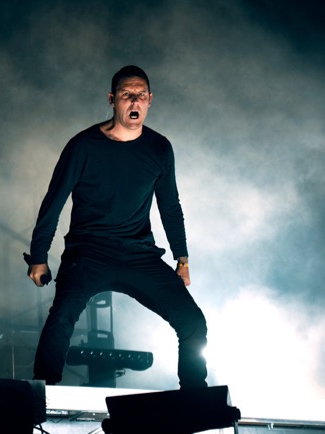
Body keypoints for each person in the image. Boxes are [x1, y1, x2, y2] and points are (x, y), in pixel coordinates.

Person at [26, 65, 207, 389]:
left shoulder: (159, 148)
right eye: (127, 95)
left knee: (193, 321)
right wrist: (39, 256)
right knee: (62, 314)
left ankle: (195, 396)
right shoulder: (83, 146)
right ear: (113, 100)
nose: (134, 101)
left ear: (150, 100)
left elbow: (170, 206)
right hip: (89, 253)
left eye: (140, 95)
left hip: (139, 255)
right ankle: (42, 393)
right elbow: (54, 201)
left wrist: (182, 260)